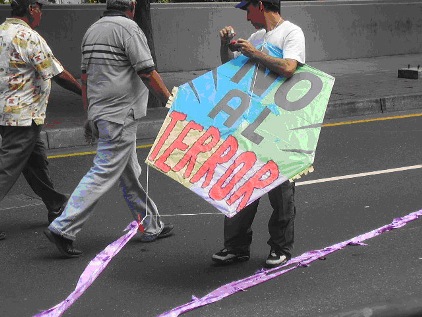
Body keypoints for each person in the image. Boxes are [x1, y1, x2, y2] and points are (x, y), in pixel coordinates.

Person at [44, 0, 174, 258]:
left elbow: (86, 79)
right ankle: (63, 227)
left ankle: (151, 224)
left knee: (129, 174)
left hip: (103, 113)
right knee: (102, 171)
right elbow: (147, 72)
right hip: (121, 116)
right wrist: (171, 102)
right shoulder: (129, 29)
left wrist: (89, 114)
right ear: (132, 7)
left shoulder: (92, 30)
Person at [212, 0, 305, 268]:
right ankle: (236, 247)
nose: (246, 16)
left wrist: (254, 53)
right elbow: (231, 69)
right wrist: (226, 46)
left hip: (278, 121)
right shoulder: (257, 36)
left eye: (248, 9)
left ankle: (281, 248)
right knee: (241, 182)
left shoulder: (291, 33)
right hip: (251, 121)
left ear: (261, 5)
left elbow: (289, 68)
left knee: (280, 189)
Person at [0, 0, 82, 240]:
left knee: (36, 163)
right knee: (6, 169)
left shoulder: (2, 32)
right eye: (41, 9)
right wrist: (84, 93)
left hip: (8, 114)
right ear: (32, 9)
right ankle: (56, 205)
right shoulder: (28, 36)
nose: (42, 14)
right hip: (22, 117)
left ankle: (55, 204)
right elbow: (56, 72)